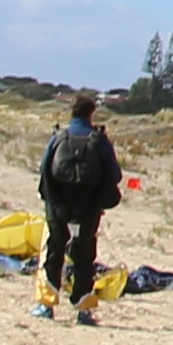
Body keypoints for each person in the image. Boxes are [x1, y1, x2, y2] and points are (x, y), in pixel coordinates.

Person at [36, 91, 125, 323]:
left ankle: (46, 305)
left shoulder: (58, 137)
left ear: (71, 112)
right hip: (88, 208)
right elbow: (115, 175)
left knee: (53, 252)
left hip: (57, 206)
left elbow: (44, 170)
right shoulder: (99, 140)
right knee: (85, 256)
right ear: (91, 114)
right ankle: (83, 310)